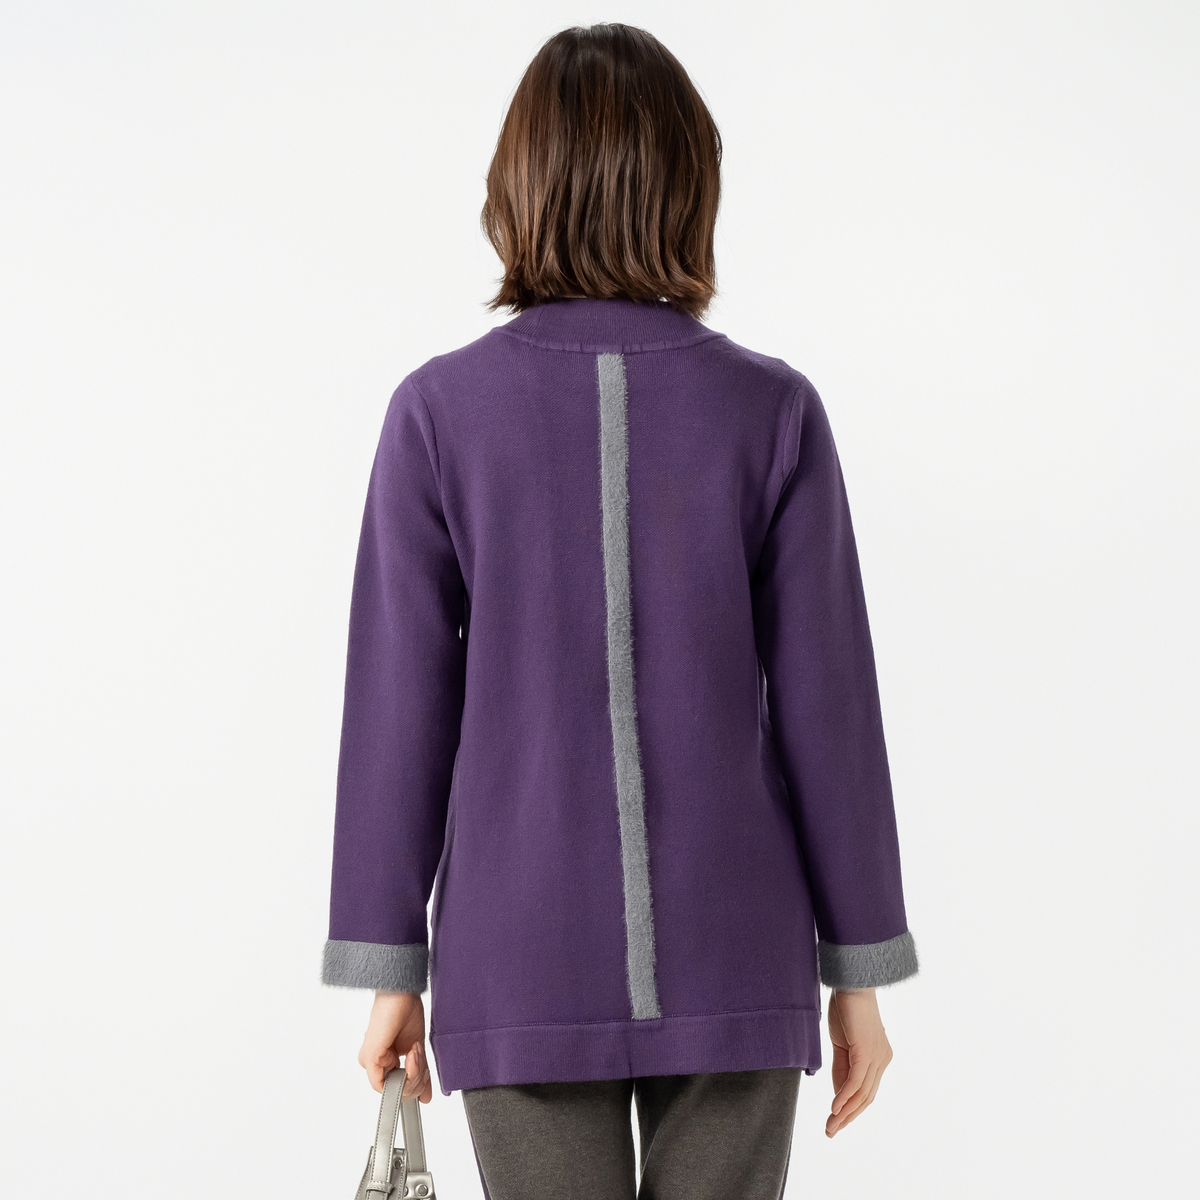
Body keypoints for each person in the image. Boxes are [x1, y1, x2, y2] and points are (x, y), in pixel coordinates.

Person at [321, 22, 918, 1200]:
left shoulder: (438, 413)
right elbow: (831, 713)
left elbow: (400, 712)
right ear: (690, 183)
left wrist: (395, 966)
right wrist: (857, 970)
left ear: (519, 186)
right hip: (736, 945)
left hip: (518, 954)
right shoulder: (772, 411)